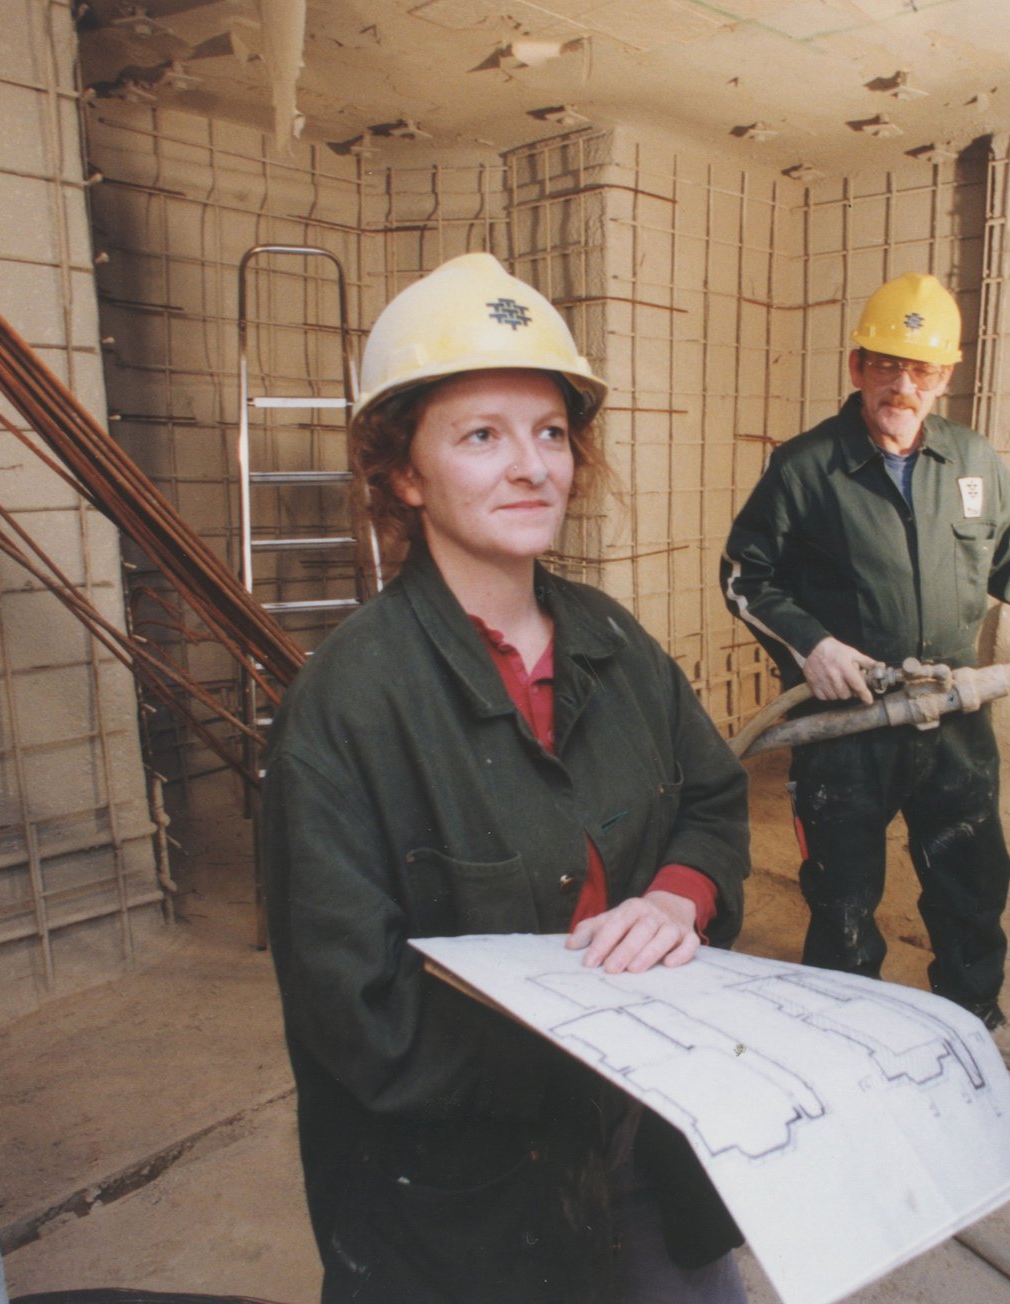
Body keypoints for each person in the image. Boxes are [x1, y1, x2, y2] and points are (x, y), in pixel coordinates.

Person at [262, 252, 750, 1303]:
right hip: (463, 1200)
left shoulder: (613, 643)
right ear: (403, 472)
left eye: (548, 432)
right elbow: (361, 1014)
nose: (530, 465)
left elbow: (710, 798)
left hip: (651, 1137)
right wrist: (591, 1047)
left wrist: (678, 893)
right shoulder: (347, 705)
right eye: (480, 434)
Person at [720, 272, 1010, 1078]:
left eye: (923, 370)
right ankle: (843, 1037)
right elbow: (744, 575)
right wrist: (813, 646)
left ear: (945, 377)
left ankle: (977, 1020)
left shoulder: (971, 460)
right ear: (858, 364)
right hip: (852, 723)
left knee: (972, 876)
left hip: (953, 714)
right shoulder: (805, 467)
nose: (905, 385)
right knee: (844, 886)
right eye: (888, 365)